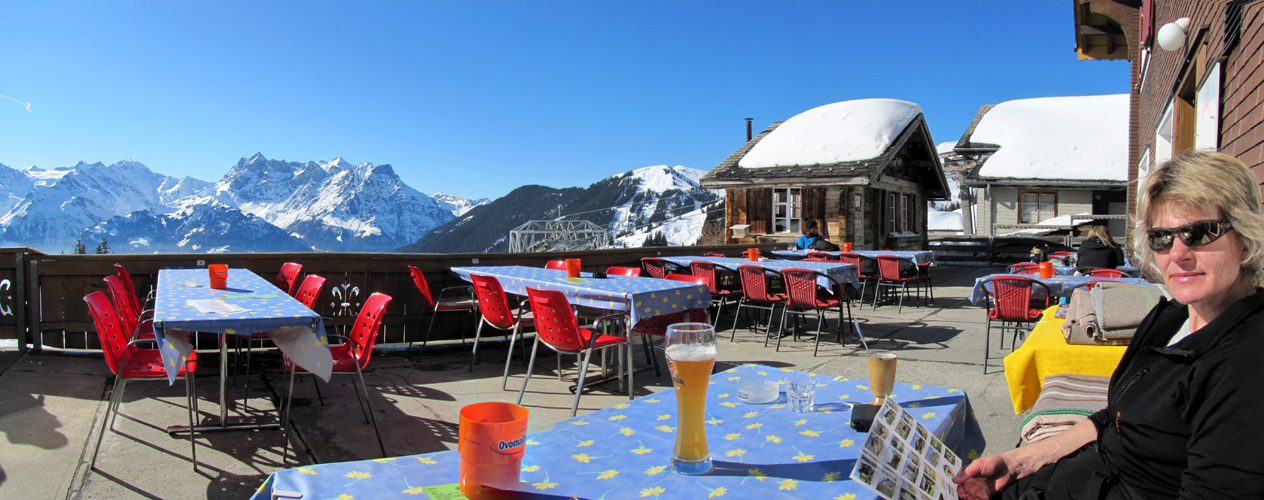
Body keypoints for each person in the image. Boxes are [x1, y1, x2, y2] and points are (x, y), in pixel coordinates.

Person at [954, 151, 1264, 499]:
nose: (1178, 253)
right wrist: (1017, 462)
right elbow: (1114, 418)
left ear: (1245, 235)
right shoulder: (1172, 316)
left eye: (1198, 233)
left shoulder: (1247, 363)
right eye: (1162, 237)